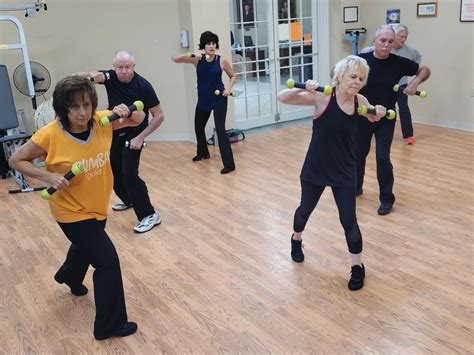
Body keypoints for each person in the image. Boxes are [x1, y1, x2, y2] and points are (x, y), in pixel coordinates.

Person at [8, 76, 145, 340]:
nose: (82, 113)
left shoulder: (102, 122)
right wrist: (48, 177)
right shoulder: (49, 135)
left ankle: (68, 275)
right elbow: (16, 159)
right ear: (63, 108)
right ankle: (109, 325)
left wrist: (128, 111)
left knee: (85, 247)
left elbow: (139, 120)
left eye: (86, 105)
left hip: (96, 205)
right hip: (69, 211)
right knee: (106, 261)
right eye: (74, 107)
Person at [277, 55, 387, 291]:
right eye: (353, 76)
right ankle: (296, 239)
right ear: (339, 76)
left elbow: (372, 115)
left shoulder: (360, 100)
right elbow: (282, 97)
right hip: (316, 166)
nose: (357, 81)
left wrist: (378, 110)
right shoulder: (323, 95)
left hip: (345, 169)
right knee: (305, 210)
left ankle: (357, 267)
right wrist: (305, 88)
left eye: (361, 78)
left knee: (348, 219)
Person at [79, 50, 164, 233]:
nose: (124, 71)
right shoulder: (109, 77)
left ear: (133, 67)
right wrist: (90, 76)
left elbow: (159, 116)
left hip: (135, 131)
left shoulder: (143, 86)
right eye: (120, 67)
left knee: (130, 174)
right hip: (115, 130)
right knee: (113, 169)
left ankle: (149, 214)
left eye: (127, 67)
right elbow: (78, 76)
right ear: (114, 68)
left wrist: (141, 138)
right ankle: (128, 200)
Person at [357, 25, 430, 215]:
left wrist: (414, 83)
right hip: (364, 115)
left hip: (386, 117)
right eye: (382, 40)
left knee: (382, 158)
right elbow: (339, 72)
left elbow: (424, 70)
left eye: (390, 41)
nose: (386, 45)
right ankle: (356, 187)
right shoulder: (360, 61)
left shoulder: (399, 63)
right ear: (374, 42)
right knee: (358, 154)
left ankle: (386, 199)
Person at [171, 31, 237, 174]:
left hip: (219, 99)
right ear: (204, 46)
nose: (211, 46)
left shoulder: (221, 60)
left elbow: (233, 76)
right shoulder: (197, 60)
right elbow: (175, 58)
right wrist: (194, 55)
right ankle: (203, 153)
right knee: (198, 127)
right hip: (204, 99)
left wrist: (228, 89)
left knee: (220, 130)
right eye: (208, 44)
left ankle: (230, 165)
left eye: (213, 43)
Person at [392, 24, 422, 144]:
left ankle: (408, 136)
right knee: (384, 107)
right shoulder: (387, 47)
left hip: (402, 85)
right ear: (394, 36)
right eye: (401, 36)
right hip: (386, 85)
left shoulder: (410, 51)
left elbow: (418, 59)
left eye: (405, 37)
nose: (403, 39)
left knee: (403, 108)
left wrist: (412, 73)